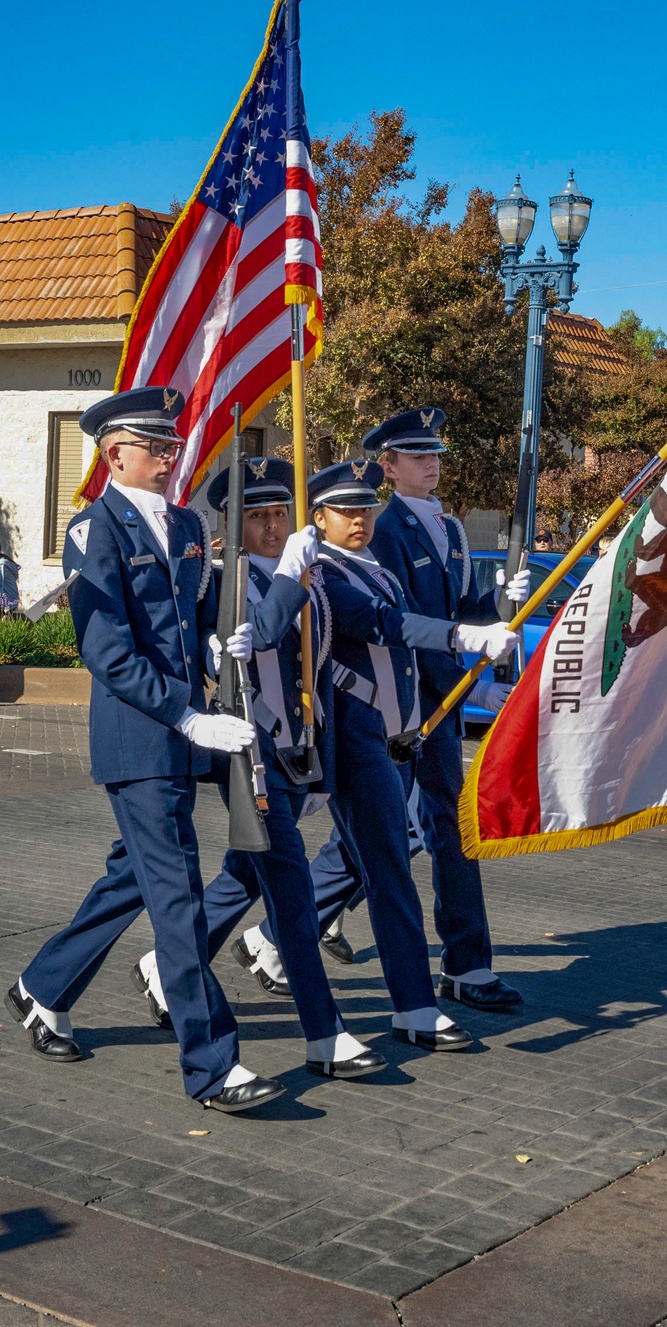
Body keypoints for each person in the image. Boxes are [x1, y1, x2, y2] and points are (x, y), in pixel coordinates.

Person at [5, 389, 284, 1114]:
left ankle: (43, 985)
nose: (168, 457)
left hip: (186, 736)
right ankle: (212, 1065)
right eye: (154, 446)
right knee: (179, 901)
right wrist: (186, 716)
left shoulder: (188, 522)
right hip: (140, 739)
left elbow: (195, 617)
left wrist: (229, 636)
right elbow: (106, 652)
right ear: (113, 452)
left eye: (171, 446)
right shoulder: (93, 529)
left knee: (134, 878)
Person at [234, 459, 520, 1048]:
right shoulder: (324, 573)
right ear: (317, 520)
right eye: (346, 510)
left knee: (387, 867)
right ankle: (176, 961)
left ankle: (413, 1007)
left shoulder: (369, 567)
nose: (361, 519)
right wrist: (463, 636)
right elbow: (383, 625)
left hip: (389, 733)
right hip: (345, 738)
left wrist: (486, 612)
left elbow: (404, 625)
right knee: (255, 874)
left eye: (366, 508)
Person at [134, 459, 385, 1080]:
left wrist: (468, 626)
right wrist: (294, 572)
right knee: (293, 891)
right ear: (231, 527)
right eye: (257, 517)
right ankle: (324, 1035)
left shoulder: (310, 577)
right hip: (249, 756)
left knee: (251, 877)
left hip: (299, 753)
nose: (273, 528)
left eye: (280, 515)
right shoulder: (222, 584)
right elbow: (265, 635)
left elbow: (361, 632)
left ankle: (167, 969)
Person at [364, 408, 529, 1012]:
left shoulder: (452, 530)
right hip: (403, 706)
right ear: (389, 467)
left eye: (434, 453)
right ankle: (275, 936)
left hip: (440, 704)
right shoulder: (381, 531)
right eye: (416, 456)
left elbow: (457, 610)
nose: (430, 463)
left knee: (450, 832)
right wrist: (470, 688)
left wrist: (495, 601)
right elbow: (407, 628)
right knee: (378, 834)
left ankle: (466, 964)